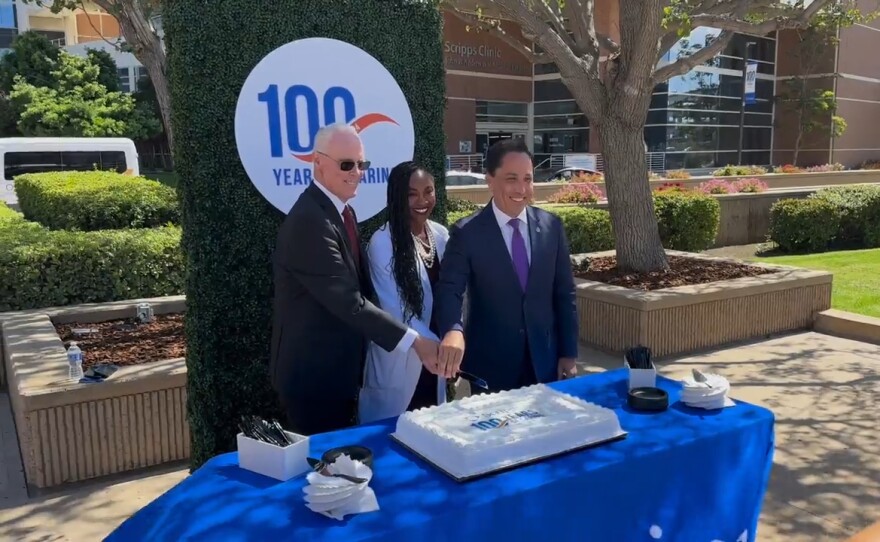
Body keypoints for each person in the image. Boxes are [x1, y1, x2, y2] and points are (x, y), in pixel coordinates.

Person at [270, 123, 441, 436]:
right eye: (346, 164)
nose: (357, 172)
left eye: (361, 164)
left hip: (338, 374)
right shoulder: (310, 221)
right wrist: (415, 341)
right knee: (322, 473)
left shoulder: (340, 212)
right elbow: (348, 301)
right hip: (314, 380)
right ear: (317, 162)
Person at [433, 138, 580, 393]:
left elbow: (564, 293)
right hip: (492, 367)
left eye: (528, 179)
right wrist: (452, 330)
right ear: (490, 179)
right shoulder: (467, 233)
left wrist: (568, 353)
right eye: (511, 179)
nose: (521, 188)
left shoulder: (551, 227)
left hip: (545, 363)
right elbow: (450, 290)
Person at [358, 162, 451, 423]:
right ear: (397, 196)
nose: (422, 200)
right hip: (404, 358)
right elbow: (395, 307)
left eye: (428, 191)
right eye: (412, 194)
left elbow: (454, 295)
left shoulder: (441, 235)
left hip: (436, 360)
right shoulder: (382, 242)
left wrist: (450, 340)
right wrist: (433, 344)